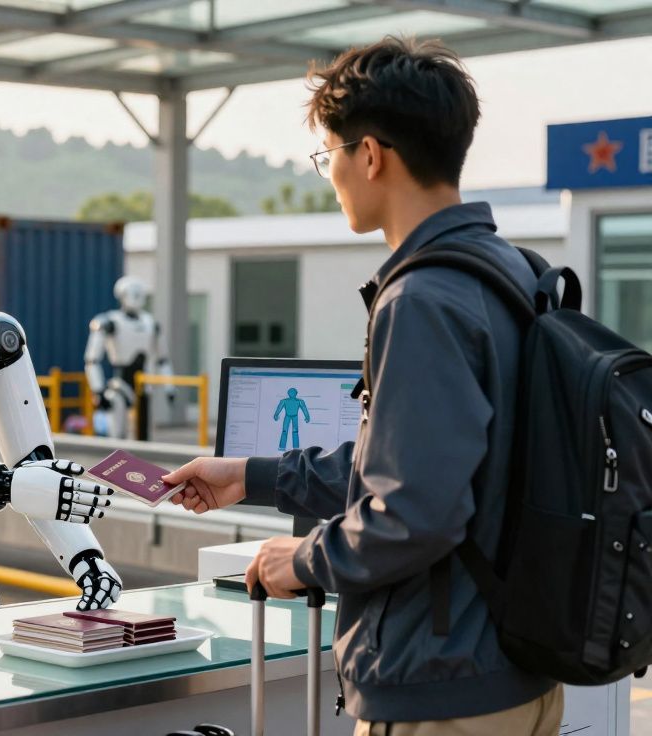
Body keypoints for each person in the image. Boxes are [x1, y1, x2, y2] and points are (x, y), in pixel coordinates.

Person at [165, 37, 562, 735]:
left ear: (370, 155)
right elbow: (425, 470)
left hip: (441, 694)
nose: (333, 174)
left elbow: (416, 511)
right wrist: (252, 475)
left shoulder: (422, 300)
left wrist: (305, 559)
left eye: (329, 156)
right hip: (518, 673)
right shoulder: (514, 274)